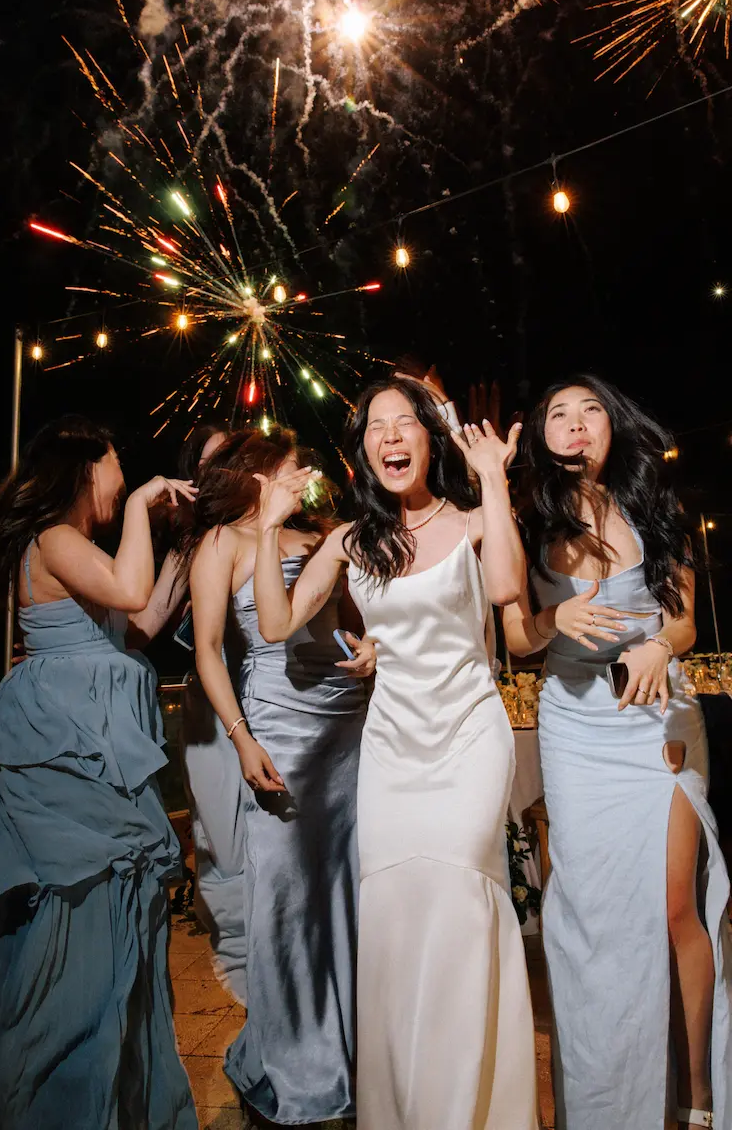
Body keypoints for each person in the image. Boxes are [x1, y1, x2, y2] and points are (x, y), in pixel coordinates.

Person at [253, 377, 538, 1130]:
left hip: (469, 736)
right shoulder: (352, 540)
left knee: (459, 899)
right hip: (390, 747)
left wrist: (494, 478)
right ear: (363, 452)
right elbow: (277, 623)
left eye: (403, 422)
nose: (389, 437)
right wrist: (268, 527)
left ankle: (468, 1108)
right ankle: (407, 1107)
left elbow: (507, 586)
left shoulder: (473, 520)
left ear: (429, 439)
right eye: (374, 427)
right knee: (398, 915)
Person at [0, 416, 198, 1130]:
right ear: (87, 468)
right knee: (83, 922)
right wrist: (141, 506)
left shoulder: (75, 547)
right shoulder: (53, 536)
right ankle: (53, 1104)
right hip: (64, 745)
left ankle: (100, 1097)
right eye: (116, 463)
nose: (122, 475)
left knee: (106, 918)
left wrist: (184, 544)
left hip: (85, 742)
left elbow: (137, 626)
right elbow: (132, 592)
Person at [501, 375, 732, 1130]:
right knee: (599, 919)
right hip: (577, 727)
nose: (575, 423)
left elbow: (685, 621)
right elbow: (515, 637)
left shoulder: (653, 506)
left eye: (590, 410)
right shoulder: (526, 523)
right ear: (542, 437)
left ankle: (697, 1099)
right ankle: (612, 1100)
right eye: (558, 415)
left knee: (675, 906)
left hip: (660, 719)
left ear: (612, 426)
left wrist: (661, 646)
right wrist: (554, 618)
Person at [183, 427, 374, 1125]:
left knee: (347, 889)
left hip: (348, 721)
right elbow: (209, 650)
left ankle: (355, 1052)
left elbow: (351, 617)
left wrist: (372, 645)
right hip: (280, 727)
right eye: (290, 466)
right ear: (257, 474)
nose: (304, 475)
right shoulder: (223, 542)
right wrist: (241, 738)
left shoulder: (321, 534)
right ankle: (296, 1063)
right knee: (288, 895)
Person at [127, 422, 248, 1003]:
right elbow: (145, 623)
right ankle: (246, 977)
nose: (221, 470)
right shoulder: (188, 548)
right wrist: (71, 635)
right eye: (209, 463)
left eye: (231, 458)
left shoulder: (268, 530)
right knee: (221, 840)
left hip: (273, 701)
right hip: (211, 714)